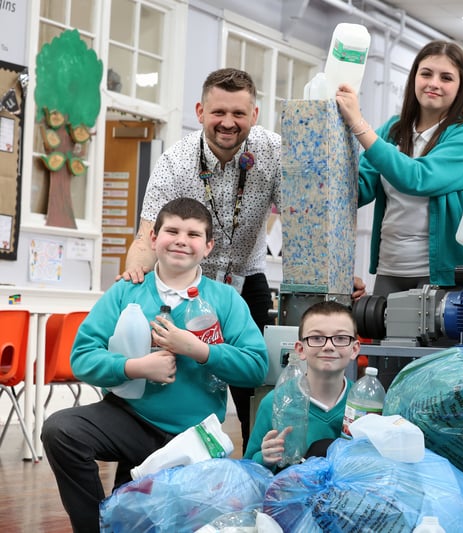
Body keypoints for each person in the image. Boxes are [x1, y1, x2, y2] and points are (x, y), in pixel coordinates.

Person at [42, 198, 269, 532]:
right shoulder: (126, 292)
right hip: (130, 420)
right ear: (153, 239)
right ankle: (94, 527)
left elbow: (256, 366)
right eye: (172, 230)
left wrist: (199, 350)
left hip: (193, 435)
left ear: (208, 247)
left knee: (150, 522)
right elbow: (82, 357)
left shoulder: (225, 299)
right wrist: (136, 367)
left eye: (193, 234)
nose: (180, 239)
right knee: (60, 430)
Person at [121, 68, 280, 450]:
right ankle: (149, 472)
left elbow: (307, 224)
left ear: (254, 115)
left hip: (246, 277)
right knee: (176, 381)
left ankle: (254, 468)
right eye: (218, 112)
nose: (228, 123)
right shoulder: (175, 161)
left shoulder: (274, 151)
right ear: (200, 111)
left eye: (239, 114)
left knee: (251, 386)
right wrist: (133, 274)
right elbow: (148, 234)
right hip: (184, 281)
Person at [335, 40, 463, 296]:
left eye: (446, 77)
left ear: (460, 87)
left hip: (442, 275)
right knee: (383, 336)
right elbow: (357, 190)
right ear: (414, 77)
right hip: (390, 268)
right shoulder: (393, 130)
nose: (434, 83)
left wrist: (359, 125)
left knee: (433, 336)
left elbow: (417, 178)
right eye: (426, 73)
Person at [245, 300, 360, 469]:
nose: (328, 346)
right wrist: (264, 458)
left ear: (355, 349)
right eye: (316, 338)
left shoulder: (365, 405)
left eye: (341, 338)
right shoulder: (276, 402)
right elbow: (247, 469)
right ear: (300, 349)